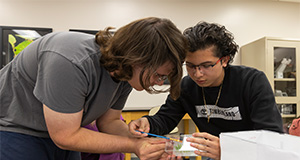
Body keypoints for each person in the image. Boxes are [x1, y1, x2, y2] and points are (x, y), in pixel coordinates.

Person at [0, 17, 187, 160]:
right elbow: (65, 136)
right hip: (15, 128)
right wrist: (134, 146)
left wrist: (147, 143)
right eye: (158, 75)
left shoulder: (126, 73)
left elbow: (109, 122)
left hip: (64, 135)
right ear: (137, 59)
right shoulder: (70, 60)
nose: (157, 82)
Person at [129, 21, 283, 160]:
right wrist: (147, 123)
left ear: (224, 60)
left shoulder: (252, 81)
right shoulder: (187, 86)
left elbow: (272, 137)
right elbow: (166, 118)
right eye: (190, 66)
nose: (197, 74)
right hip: (211, 154)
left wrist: (229, 150)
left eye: (207, 65)